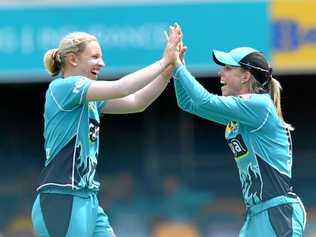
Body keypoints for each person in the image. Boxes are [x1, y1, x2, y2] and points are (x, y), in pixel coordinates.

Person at [31, 24, 181, 237]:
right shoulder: (63, 87)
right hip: (61, 198)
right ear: (73, 59)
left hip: (88, 199)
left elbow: (137, 102)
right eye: (95, 57)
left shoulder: (89, 99)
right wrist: (163, 60)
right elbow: (122, 87)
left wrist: (167, 73)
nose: (102, 63)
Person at [171, 27, 306, 236]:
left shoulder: (259, 105)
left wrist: (178, 66)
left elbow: (203, 99)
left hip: (277, 213)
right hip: (256, 214)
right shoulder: (242, 113)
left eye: (227, 68)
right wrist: (177, 67)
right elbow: (188, 104)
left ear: (245, 76)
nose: (220, 73)